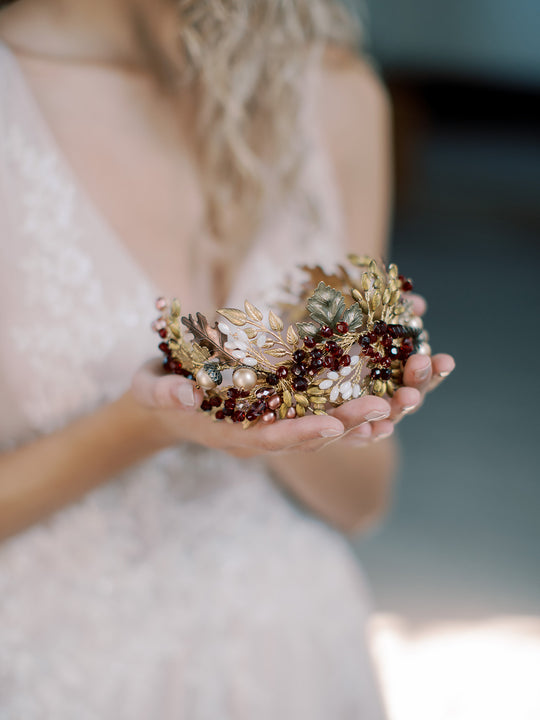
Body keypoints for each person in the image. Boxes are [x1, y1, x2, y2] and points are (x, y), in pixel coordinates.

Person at [0, 0, 455, 717]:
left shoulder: (335, 93)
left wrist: (304, 402)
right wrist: (145, 425)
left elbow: (364, 500)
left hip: (294, 661)